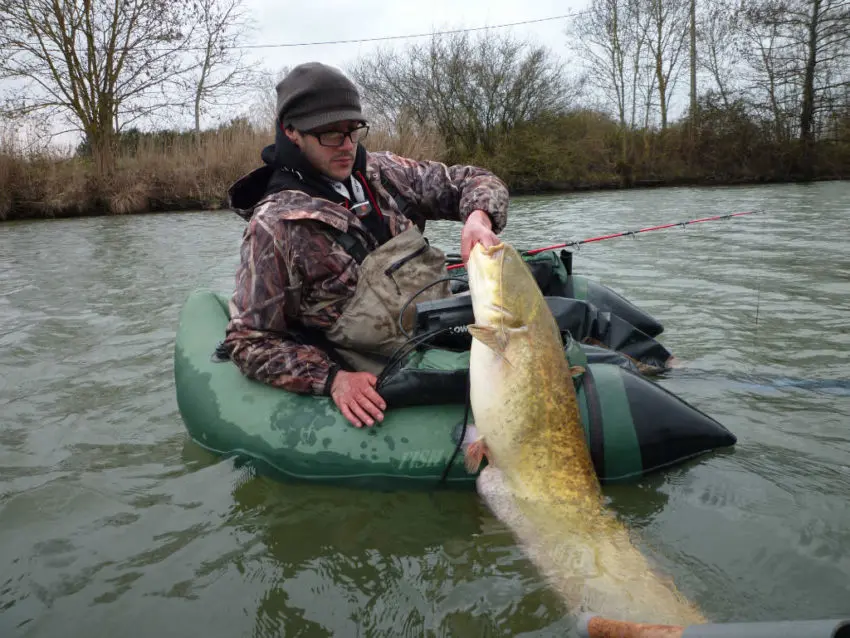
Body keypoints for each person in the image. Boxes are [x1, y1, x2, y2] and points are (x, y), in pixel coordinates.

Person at [222, 62, 509, 429]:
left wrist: (478, 216)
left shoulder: (384, 171)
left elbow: (473, 180)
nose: (346, 146)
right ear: (291, 132)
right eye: (329, 135)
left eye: (353, 131)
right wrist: (332, 379)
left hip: (440, 327)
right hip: (383, 367)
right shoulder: (274, 225)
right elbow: (248, 341)